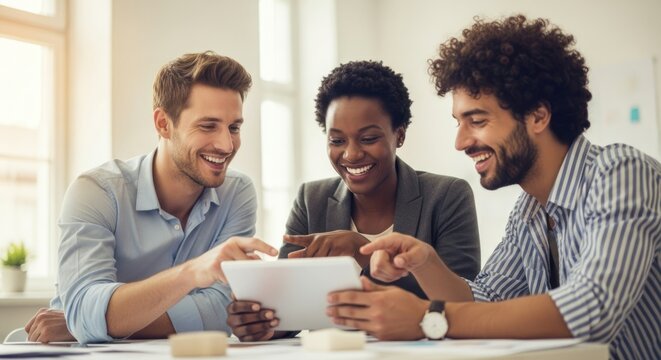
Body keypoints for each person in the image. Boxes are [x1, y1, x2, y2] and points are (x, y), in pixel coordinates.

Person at [325, 15, 660, 360]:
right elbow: (485, 299)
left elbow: (592, 308)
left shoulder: (621, 173)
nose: (461, 142)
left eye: (478, 120)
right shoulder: (528, 211)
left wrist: (429, 318)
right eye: (459, 122)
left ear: (538, 116)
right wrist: (424, 262)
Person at [24, 51, 278, 344]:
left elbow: (223, 310)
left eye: (234, 127)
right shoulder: (96, 191)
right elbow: (84, 309)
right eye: (208, 126)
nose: (226, 144)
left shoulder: (237, 193)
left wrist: (102, 323)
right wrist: (193, 272)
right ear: (162, 123)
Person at [226, 61, 481, 342]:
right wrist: (265, 322)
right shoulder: (312, 201)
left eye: (369, 138)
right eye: (337, 141)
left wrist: (364, 253)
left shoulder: (446, 196)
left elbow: (464, 306)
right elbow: (290, 309)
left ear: (400, 134)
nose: (351, 154)